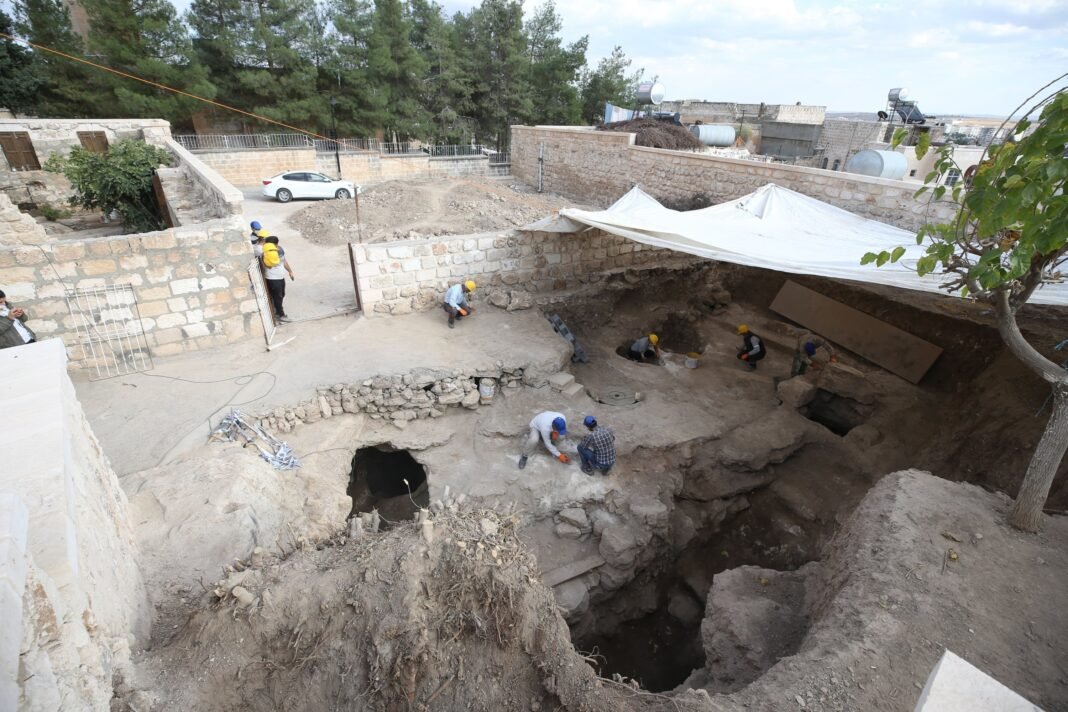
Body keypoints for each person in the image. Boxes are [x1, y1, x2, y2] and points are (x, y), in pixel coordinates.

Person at [262, 236, 295, 322]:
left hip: (280, 277)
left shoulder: (280, 250)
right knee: (277, 297)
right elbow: (268, 266)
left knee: (282, 295)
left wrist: (290, 271)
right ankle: (281, 315)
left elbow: (284, 262)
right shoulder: (265, 253)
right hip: (272, 279)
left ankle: (277, 311)